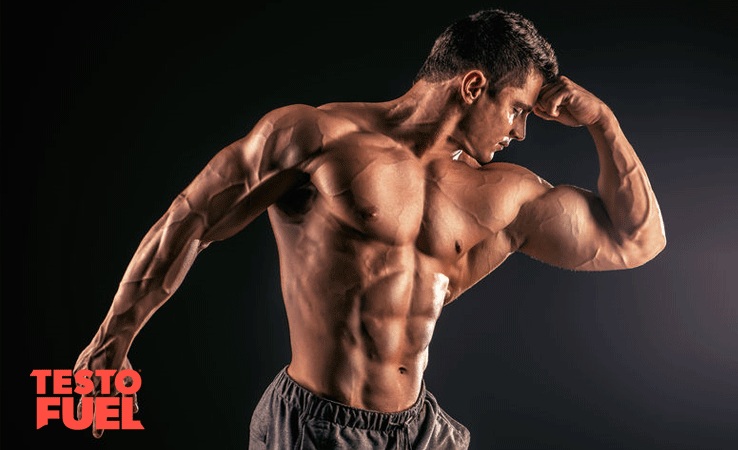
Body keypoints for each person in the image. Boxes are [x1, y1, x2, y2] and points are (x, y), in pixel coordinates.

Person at [74, 9, 665, 449]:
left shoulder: (507, 191)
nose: (521, 131)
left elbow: (637, 240)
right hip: (314, 429)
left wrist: (603, 123)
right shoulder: (317, 138)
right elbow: (192, 219)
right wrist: (111, 341)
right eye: (517, 108)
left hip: (418, 430)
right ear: (474, 86)